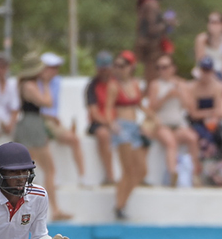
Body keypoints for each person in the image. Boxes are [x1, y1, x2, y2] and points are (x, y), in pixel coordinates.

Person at [13, 52, 71, 220]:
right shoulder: (30, 86)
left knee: (28, 170)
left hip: (31, 124)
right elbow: (48, 102)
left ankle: (28, 209)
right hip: (33, 126)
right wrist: (45, 84)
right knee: (48, 169)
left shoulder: (25, 84)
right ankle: (55, 209)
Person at [106, 50, 152, 219]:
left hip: (133, 127)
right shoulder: (113, 85)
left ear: (130, 67)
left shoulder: (134, 84)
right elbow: (109, 107)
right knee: (128, 170)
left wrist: (151, 115)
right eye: (116, 65)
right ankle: (119, 205)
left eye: (122, 65)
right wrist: (112, 123)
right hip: (122, 126)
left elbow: (139, 105)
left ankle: (122, 202)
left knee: (141, 170)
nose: (119, 69)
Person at [149, 54, 200, 186]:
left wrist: (181, 93)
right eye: (159, 67)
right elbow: (151, 107)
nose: (162, 70)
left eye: (165, 67)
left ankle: (194, 174)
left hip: (177, 123)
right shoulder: (155, 85)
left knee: (192, 138)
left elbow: (189, 106)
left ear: (172, 68)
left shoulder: (181, 84)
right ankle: (172, 174)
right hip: (161, 124)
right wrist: (166, 96)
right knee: (171, 142)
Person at [39, 52, 89, 188]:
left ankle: (82, 177)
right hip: (40, 120)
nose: (56, 70)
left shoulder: (57, 82)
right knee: (43, 140)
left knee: (74, 139)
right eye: (53, 67)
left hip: (52, 121)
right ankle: (51, 177)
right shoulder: (35, 83)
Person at [189, 56, 222, 186]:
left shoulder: (217, 87)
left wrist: (211, 116)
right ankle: (202, 173)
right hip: (198, 123)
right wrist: (209, 114)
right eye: (203, 70)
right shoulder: (194, 88)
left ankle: (218, 172)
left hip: (212, 121)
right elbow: (193, 113)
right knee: (204, 141)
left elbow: (219, 109)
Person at [135, 0, 174, 85]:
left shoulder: (148, 2)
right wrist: (167, 24)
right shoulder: (151, 4)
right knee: (152, 79)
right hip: (151, 46)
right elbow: (151, 29)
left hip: (150, 45)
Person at [85, 51, 116, 186]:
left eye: (107, 68)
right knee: (103, 134)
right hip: (99, 123)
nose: (104, 71)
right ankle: (110, 175)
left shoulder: (116, 83)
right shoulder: (92, 86)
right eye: (102, 68)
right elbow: (94, 112)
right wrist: (109, 123)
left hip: (115, 121)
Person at [194, 11, 222, 85]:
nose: (211, 25)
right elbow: (201, 61)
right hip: (205, 72)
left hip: (221, 73)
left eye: (215, 22)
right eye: (210, 22)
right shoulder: (201, 39)